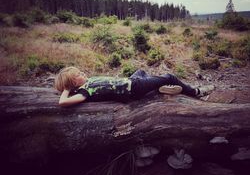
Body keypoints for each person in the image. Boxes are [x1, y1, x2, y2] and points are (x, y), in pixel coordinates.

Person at [54, 66, 214, 107]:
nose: (83, 73)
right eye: (79, 75)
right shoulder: (84, 92)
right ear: (74, 83)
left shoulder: (87, 84)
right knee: (169, 77)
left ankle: (157, 88)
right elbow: (62, 103)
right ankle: (195, 92)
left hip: (130, 82)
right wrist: (67, 90)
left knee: (141, 71)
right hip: (134, 88)